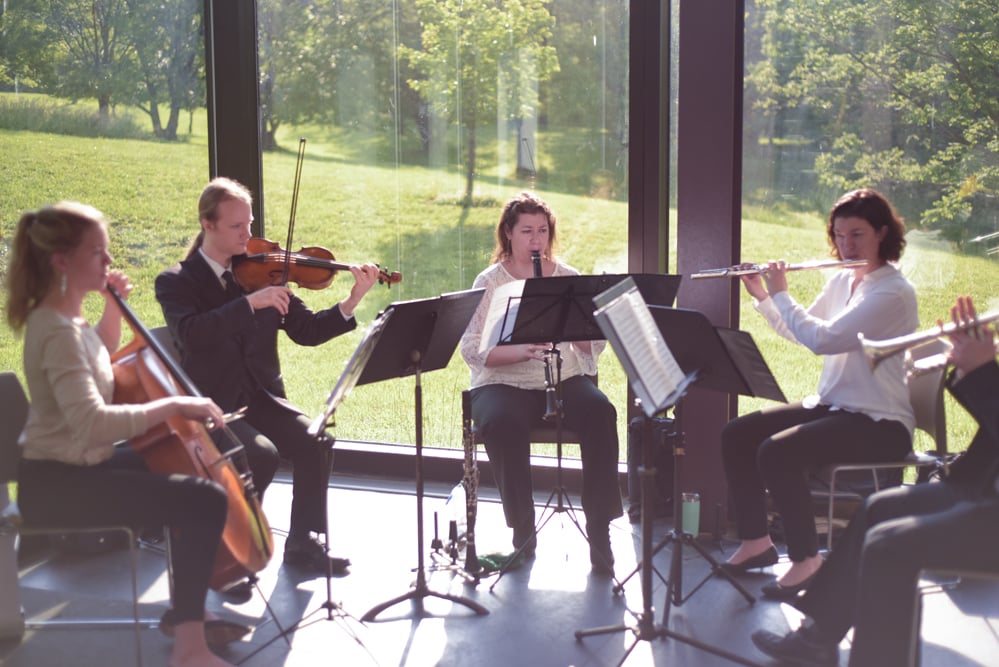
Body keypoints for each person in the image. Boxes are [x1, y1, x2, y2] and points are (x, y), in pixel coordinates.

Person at [7, 201, 240, 667]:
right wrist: (175, 405)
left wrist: (112, 307)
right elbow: (92, 422)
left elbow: (100, 355)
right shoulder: (54, 330)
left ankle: (187, 612)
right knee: (204, 499)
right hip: (59, 485)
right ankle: (190, 647)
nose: (109, 262)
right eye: (99, 253)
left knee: (188, 469)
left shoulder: (67, 320)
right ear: (62, 262)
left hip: (79, 466)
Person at [751, 295, 999, 667]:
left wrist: (982, 374)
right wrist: (974, 371)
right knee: (876, 508)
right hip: (983, 488)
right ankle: (819, 636)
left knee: (889, 546)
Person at [155, 177, 380, 576]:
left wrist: (352, 300)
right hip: (210, 402)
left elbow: (307, 331)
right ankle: (226, 551)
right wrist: (249, 305)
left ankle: (302, 544)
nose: (248, 235)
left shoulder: (263, 273)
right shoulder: (177, 281)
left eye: (250, 224)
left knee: (318, 442)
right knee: (259, 454)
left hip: (259, 397)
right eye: (236, 227)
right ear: (208, 225)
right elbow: (191, 334)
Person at [719, 188, 919, 599]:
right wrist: (763, 294)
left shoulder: (892, 292)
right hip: (836, 407)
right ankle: (757, 542)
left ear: (883, 233)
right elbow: (801, 330)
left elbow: (824, 340)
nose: (846, 245)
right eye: (840, 234)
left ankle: (807, 560)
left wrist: (781, 292)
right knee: (737, 434)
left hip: (879, 422)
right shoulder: (845, 279)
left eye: (857, 235)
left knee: (777, 451)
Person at [458, 191, 623, 575]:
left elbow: (593, 345)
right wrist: (521, 350)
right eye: (527, 231)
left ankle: (600, 531)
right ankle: (523, 533)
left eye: (543, 231)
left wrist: (580, 330)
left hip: (562, 376)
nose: (536, 240)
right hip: (500, 382)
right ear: (509, 235)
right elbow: (471, 350)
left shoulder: (568, 278)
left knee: (601, 412)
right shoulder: (490, 281)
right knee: (501, 423)